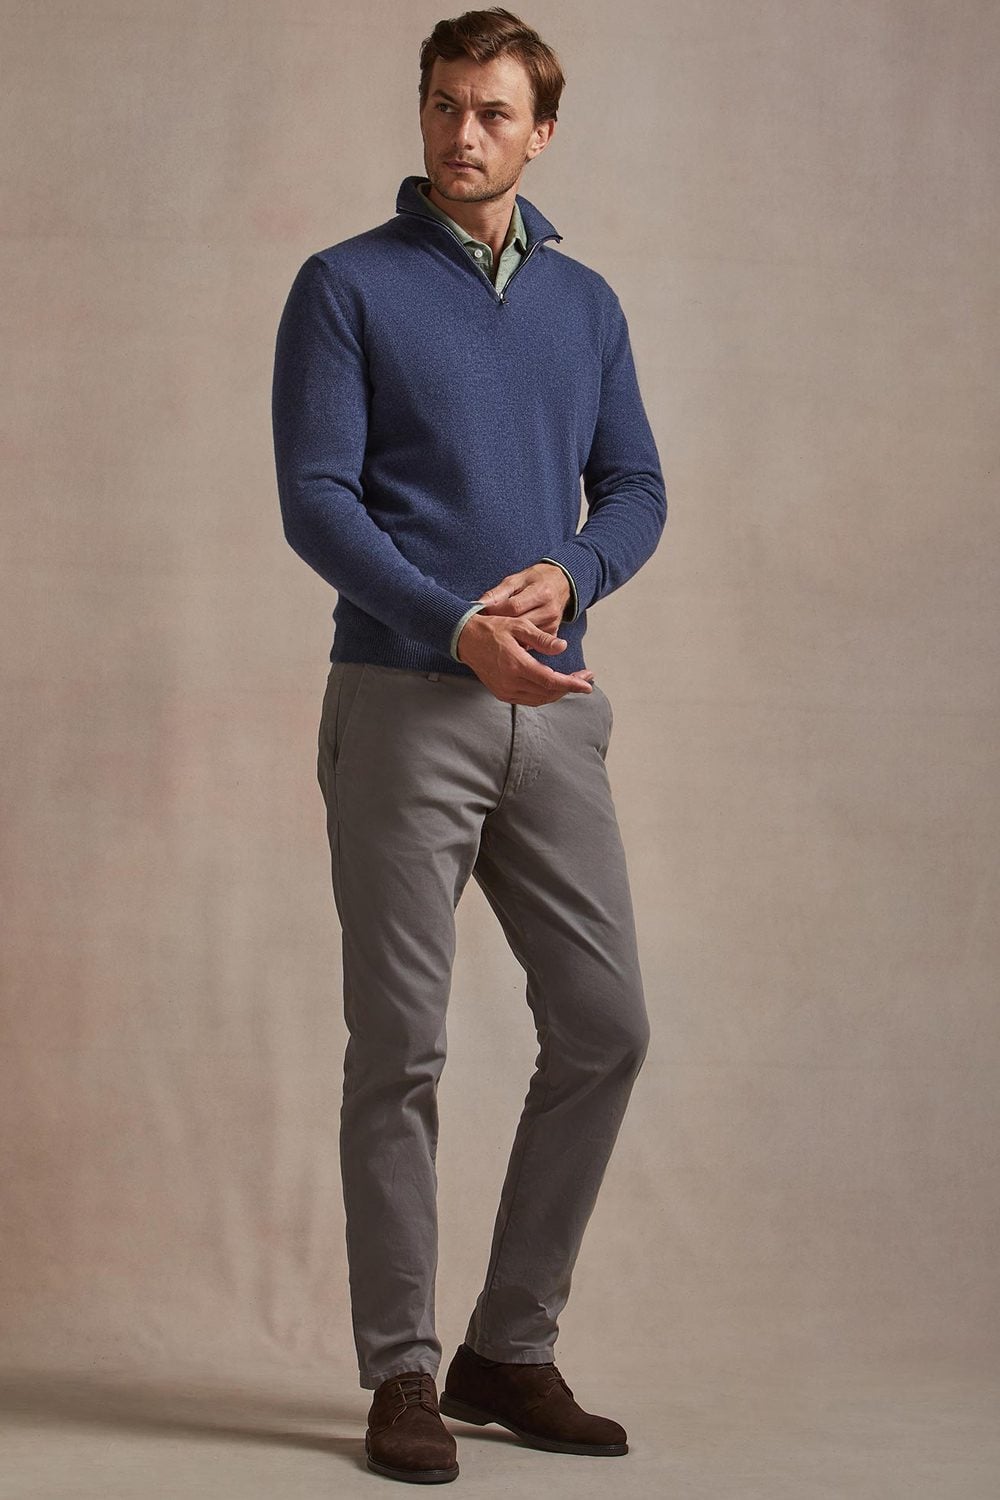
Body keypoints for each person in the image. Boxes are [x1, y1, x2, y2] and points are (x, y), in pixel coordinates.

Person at [271, 6, 667, 1484]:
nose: (463, 132)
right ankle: (404, 1373)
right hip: (400, 703)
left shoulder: (585, 304)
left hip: (552, 710)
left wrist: (573, 571)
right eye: (445, 103)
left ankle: (509, 1346)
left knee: (607, 1025)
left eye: (494, 111)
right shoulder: (346, 287)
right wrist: (454, 628)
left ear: (540, 133)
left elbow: (636, 484)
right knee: (403, 1047)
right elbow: (316, 499)